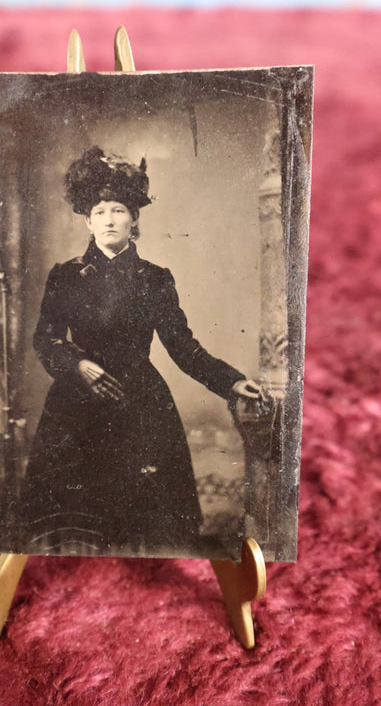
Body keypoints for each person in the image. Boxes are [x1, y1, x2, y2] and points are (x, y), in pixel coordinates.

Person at [19, 146, 261, 557]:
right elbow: (46, 339)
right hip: (76, 405)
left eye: (117, 209)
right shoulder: (65, 275)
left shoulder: (155, 279)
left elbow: (184, 349)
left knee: (148, 529)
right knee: (76, 526)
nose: (108, 219)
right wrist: (79, 364)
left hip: (141, 407)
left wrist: (232, 380)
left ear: (134, 218)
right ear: (88, 220)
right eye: (99, 211)